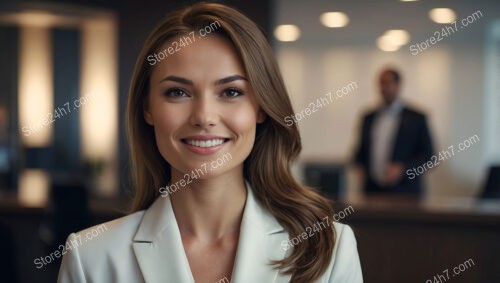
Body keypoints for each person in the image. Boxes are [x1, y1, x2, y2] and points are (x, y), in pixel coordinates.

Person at [58, 3, 362, 283]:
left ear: (261, 107)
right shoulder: (91, 258)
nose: (204, 116)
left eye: (231, 92)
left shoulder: (328, 249)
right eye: (177, 92)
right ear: (147, 109)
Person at [354, 68, 433, 196]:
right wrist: (359, 164)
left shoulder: (416, 118)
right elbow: (360, 151)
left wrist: (403, 169)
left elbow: (429, 156)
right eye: (381, 83)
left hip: (405, 192)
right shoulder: (368, 117)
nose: (384, 88)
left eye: (388, 82)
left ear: (398, 85)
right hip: (372, 191)